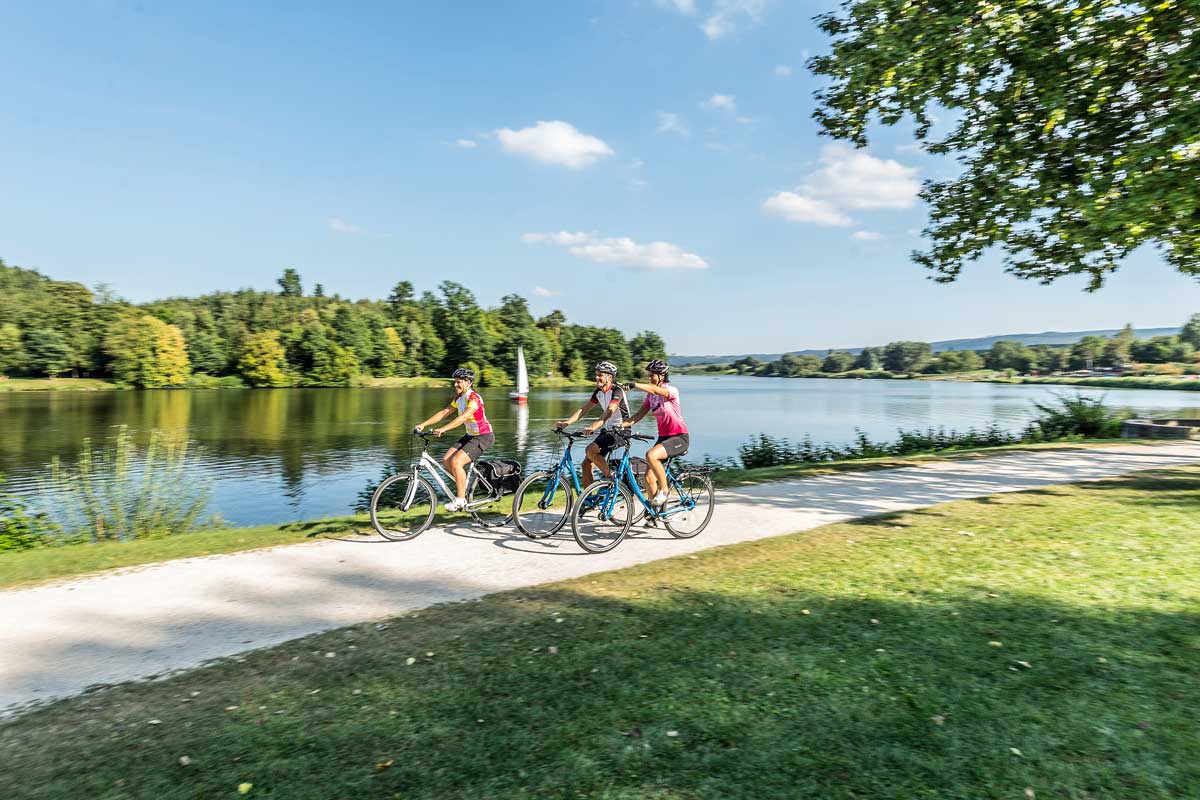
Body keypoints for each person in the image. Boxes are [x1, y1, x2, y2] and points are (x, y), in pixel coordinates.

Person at [413, 367, 494, 512]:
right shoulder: (459, 398)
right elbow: (444, 412)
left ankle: (461, 500)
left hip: (484, 436)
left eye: (458, 382)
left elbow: (463, 417)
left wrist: (443, 429)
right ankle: (463, 488)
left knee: (456, 462)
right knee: (446, 459)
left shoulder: (474, 398)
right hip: (470, 435)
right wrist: (423, 424)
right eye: (455, 382)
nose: (455, 385)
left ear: (468, 383)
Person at [622, 359, 688, 508]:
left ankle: (664, 491)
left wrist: (635, 384)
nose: (650, 378)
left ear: (662, 376)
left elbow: (656, 390)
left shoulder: (671, 391)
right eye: (649, 375)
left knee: (650, 455)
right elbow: (638, 415)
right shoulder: (650, 397)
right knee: (649, 477)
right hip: (664, 438)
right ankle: (654, 513)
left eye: (652, 375)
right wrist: (620, 425)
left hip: (679, 437)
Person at [555, 360, 631, 489]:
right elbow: (584, 410)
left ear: (609, 377)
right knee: (586, 464)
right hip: (608, 431)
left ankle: (614, 482)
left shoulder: (617, 391)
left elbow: (609, 411)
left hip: (621, 431)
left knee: (590, 450)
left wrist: (593, 427)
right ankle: (588, 500)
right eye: (596, 374)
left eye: (600, 375)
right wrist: (566, 423)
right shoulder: (599, 392)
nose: (597, 377)